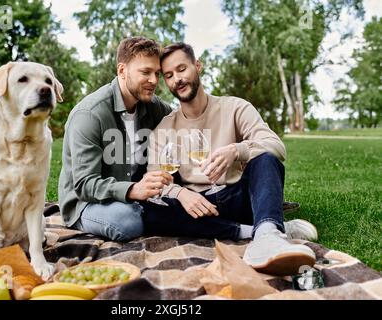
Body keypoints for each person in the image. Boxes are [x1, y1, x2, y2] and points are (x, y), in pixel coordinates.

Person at [142, 42, 318, 276]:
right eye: (169, 75)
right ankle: (262, 229)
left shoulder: (234, 107)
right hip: (196, 207)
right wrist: (181, 193)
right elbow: (154, 180)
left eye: (182, 69)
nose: (177, 79)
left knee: (266, 159)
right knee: (150, 213)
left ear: (197, 66)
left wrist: (237, 150)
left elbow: (276, 147)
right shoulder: (165, 128)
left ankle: (267, 236)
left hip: (236, 197)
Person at [58, 36, 173, 242]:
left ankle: (152, 212)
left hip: (136, 195)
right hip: (85, 202)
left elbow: (185, 126)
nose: (154, 81)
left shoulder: (154, 107)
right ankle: (152, 214)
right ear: (122, 70)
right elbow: (85, 184)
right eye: (145, 72)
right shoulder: (90, 114)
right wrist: (132, 190)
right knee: (127, 221)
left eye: (157, 73)